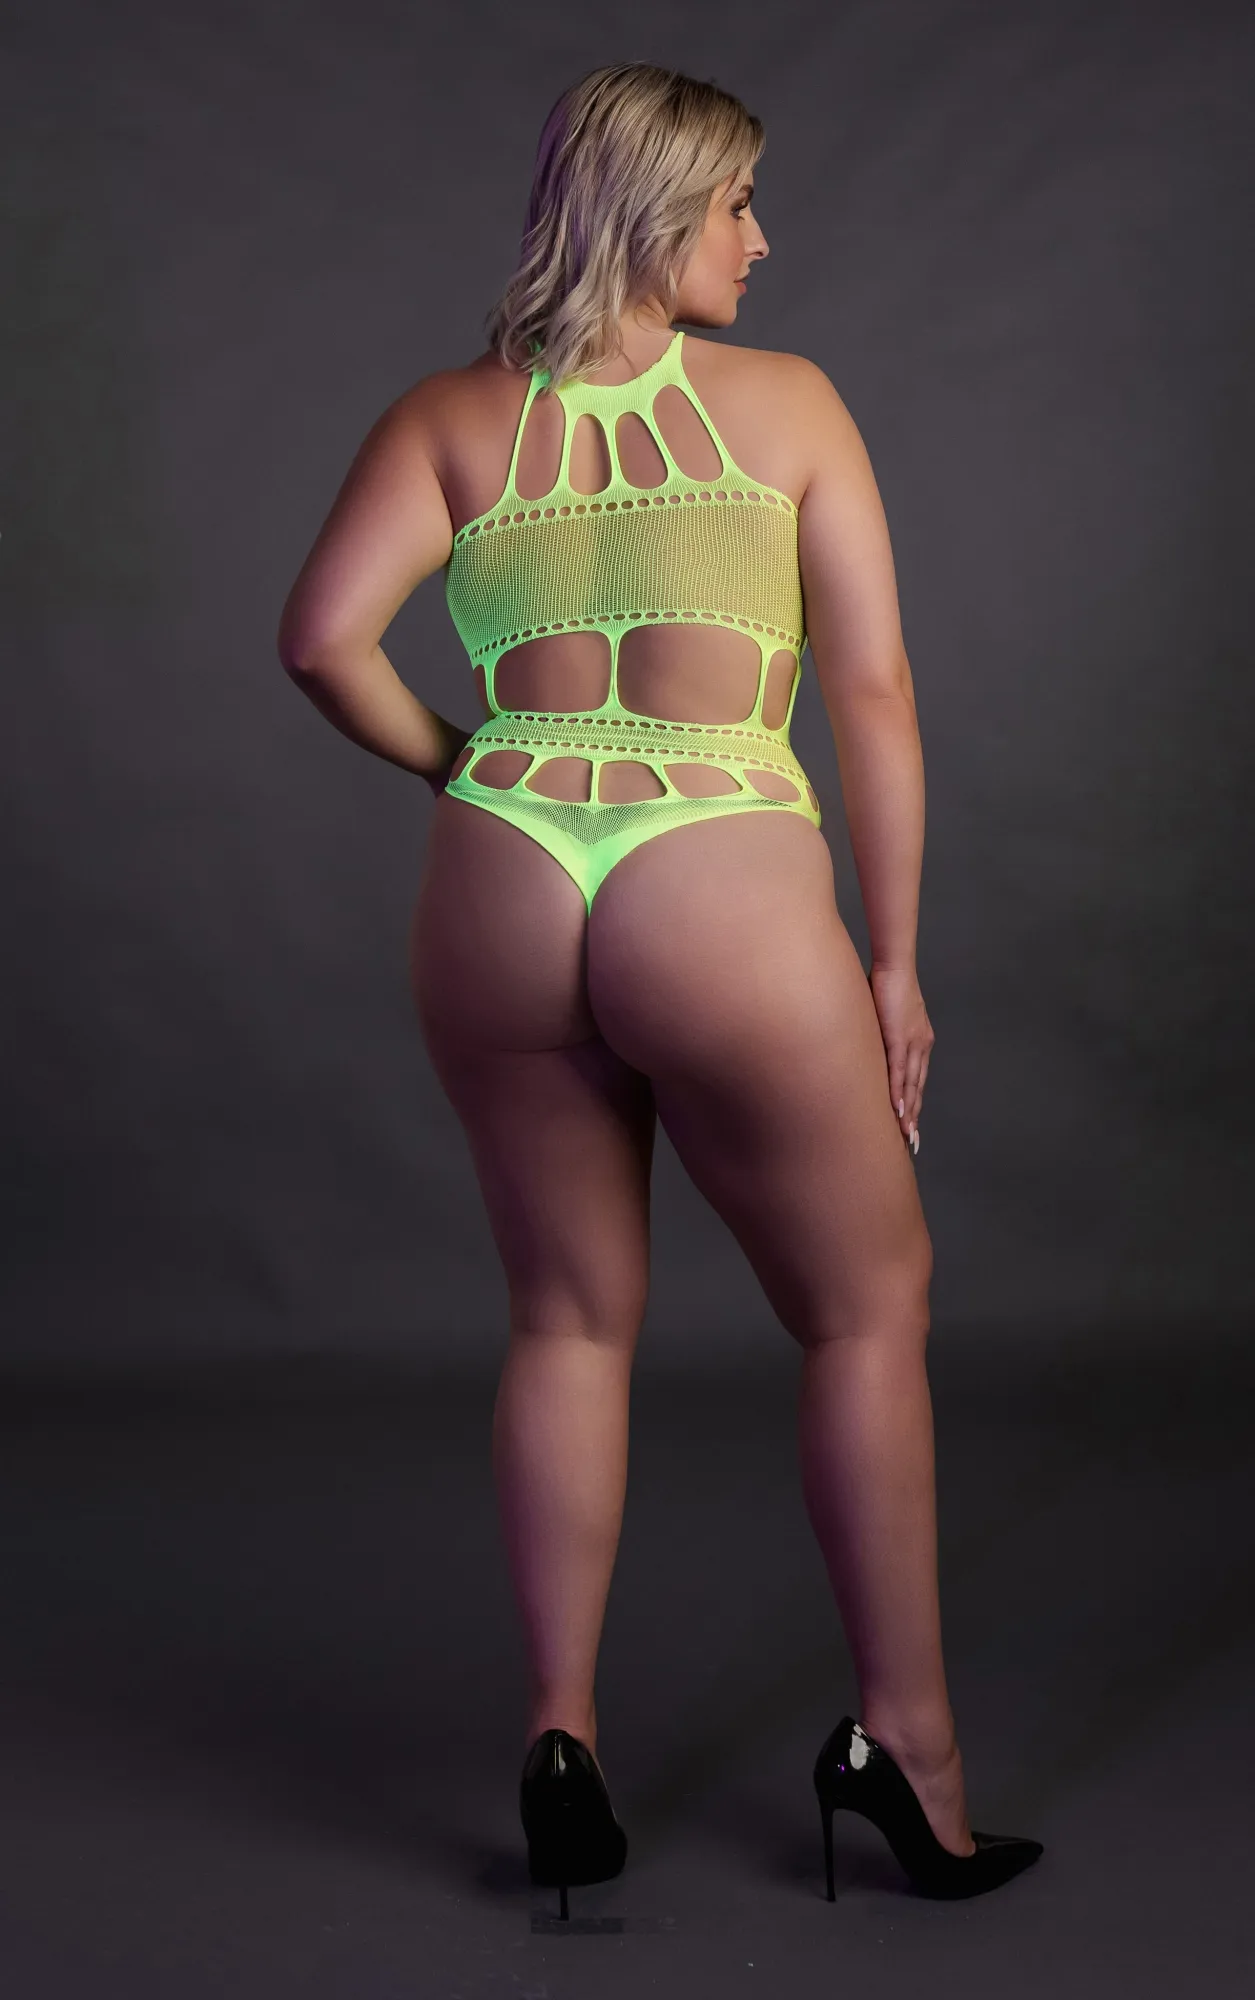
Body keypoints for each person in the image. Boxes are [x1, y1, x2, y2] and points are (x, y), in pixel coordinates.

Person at [277, 61, 1042, 1914]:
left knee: (564, 1320)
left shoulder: (446, 419)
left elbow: (317, 643)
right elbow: (871, 696)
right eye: (734, 208)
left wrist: (470, 766)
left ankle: (560, 1737)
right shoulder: (787, 408)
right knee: (866, 1311)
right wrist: (892, 960)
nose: (759, 242)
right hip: (718, 872)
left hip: (504, 872)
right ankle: (910, 1758)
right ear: (652, 216)